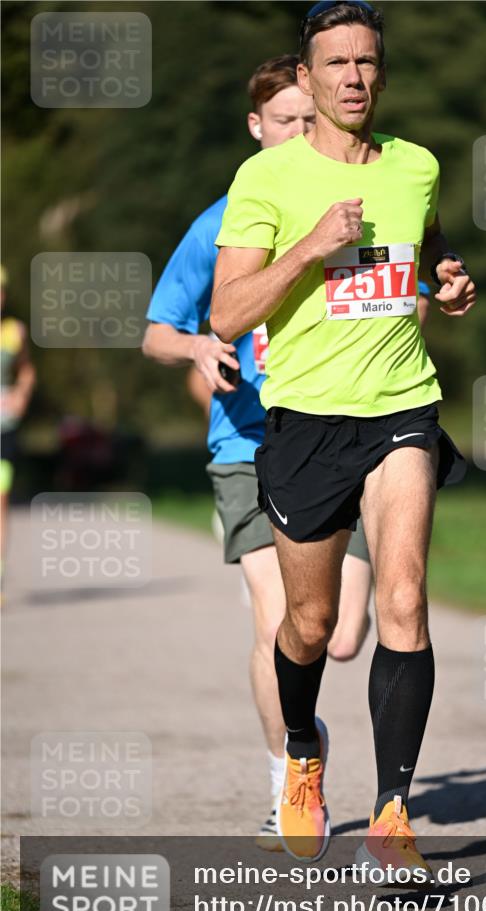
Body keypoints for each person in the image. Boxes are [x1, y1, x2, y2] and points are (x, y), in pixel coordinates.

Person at [211, 1, 476, 876]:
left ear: (381, 73)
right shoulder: (267, 179)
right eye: (335, 64)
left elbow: (425, 244)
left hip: (402, 408)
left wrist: (445, 279)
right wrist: (310, 249)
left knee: (401, 600)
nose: (352, 78)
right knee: (311, 623)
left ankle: (391, 819)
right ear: (307, 76)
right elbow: (227, 313)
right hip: (304, 421)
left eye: (365, 62)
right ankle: (301, 752)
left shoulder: (416, 165)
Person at [142, 55, 374, 851]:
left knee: (338, 635)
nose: (300, 134)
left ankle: (301, 728)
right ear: (255, 127)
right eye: (285, 121)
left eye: (312, 120)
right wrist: (197, 347)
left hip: (346, 434)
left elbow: (397, 294)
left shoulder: (353, 209)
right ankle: (290, 774)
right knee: (279, 620)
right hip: (247, 444)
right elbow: (156, 332)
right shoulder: (219, 223)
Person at [0, 265, 36, 602]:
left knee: (1, 499)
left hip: (3, 427)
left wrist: (21, 395)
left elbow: (26, 371)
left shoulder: (14, 332)